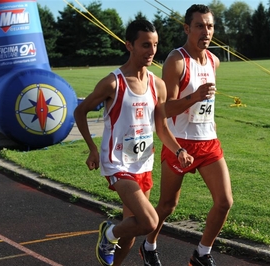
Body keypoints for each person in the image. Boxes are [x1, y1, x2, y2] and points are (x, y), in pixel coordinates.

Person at [74, 20, 194, 266]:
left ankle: (113, 254)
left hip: (143, 163)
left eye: (155, 45)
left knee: (133, 229)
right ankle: (108, 232)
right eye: (145, 45)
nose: (151, 51)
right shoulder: (113, 82)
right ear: (129, 45)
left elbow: (161, 128)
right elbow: (80, 111)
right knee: (149, 221)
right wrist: (92, 148)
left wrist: (179, 149)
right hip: (117, 163)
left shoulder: (157, 85)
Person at [140, 4, 233, 266]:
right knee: (168, 204)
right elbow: (165, 109)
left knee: (224, 201)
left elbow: (206, 104)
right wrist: (194, 97)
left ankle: (202, 253)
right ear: (187, 28)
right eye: (200, 26)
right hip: (179, 142)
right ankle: (148, 245)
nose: (206, 31)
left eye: (210, 26)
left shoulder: (214, 60)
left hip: (208, 141)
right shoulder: (176, 61)